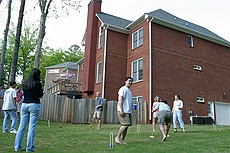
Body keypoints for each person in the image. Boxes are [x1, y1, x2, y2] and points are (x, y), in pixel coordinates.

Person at [14, 68, 43, 152]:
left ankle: (17, 147)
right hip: (34, 104)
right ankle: (29, 148)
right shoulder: (37, 84)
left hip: (25, 105)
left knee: (22, 126)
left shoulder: (25, 83)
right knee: (32, 127)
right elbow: (40, 95)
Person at [115, 77, 133, 145]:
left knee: (127, 126)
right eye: (129, 81)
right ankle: (117, 137)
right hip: (123, 110)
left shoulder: (129, 91)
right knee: (125, 124)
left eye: (131, 81)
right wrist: (121, 110)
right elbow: (120, 99)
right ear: (125, 81)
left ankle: (122, 140)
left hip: (128, 111)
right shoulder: (123, 89)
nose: (130, 82)